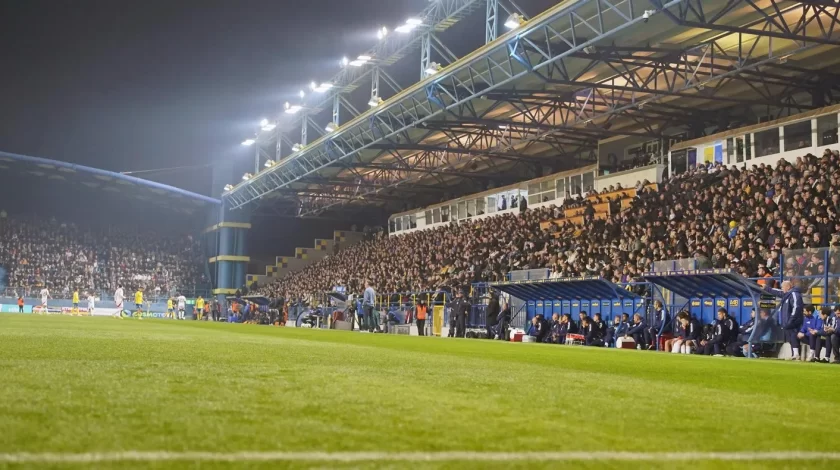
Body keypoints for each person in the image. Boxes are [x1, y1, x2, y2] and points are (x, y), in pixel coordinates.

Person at [763, 280, 804, 360]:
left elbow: (796, 307)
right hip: (788, 321)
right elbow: (778, 292)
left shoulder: (794, 294)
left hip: (793, 321)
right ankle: (794, 354)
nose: (782, 289)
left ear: (788, 287)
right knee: (791, 337)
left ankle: (796, 354)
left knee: (793, 336)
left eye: (783, 287)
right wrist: (767, 288)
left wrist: (791, 319)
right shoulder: (787, 294)